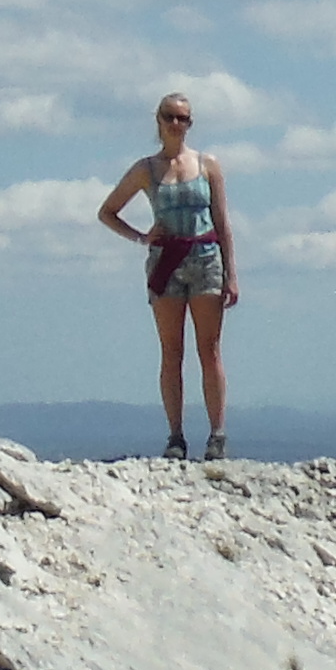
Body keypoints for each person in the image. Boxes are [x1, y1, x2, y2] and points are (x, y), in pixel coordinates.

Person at [97, 90, 237, 460]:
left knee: (209, 349)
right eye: (170, 116)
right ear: (158, 120)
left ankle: (217, 435)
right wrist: (142, 237)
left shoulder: (208, 165)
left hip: (206, 256)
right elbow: (107, 211)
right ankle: (175, 436)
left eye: (183, 118)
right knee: (171, 351)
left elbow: (222, 222)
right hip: (166, 263)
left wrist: (231, 274)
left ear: (190, 124)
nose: (176, 124)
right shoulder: (146, 169)